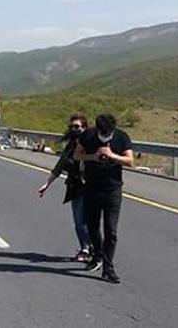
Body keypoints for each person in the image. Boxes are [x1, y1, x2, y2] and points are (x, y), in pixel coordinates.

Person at [74, 114, 134, 284]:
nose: (106, 137)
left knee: (111, 230)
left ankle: (108, 268)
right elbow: (77, 155)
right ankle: (98, 256)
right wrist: (92, 157)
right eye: (103, 134)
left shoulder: (121, 136)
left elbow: (130, 161)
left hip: (113, 190)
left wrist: (112, 155)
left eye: (109, 134)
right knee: (92, 226)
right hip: (92, 188)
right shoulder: (89, 135)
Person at [37, 114, 92, 262]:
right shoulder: (70, 146)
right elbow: (59, 166)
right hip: (75, 187)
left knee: (85, 221)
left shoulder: (91, 144)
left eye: (78, 127)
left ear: (85, 127)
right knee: (79, 221)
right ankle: (87, 247)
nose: (75, 129)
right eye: (72, 127)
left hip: (90, 187)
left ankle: (89, 249)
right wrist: (46, 184)